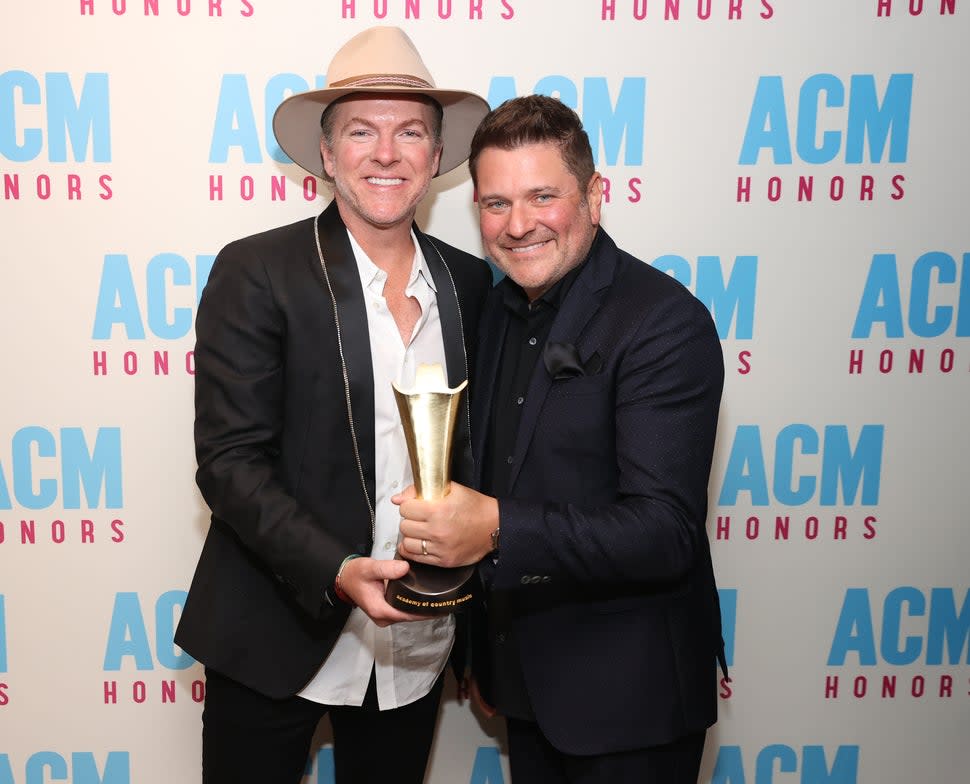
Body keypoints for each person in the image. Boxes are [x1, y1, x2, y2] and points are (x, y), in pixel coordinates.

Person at [174, 26, 491, 784]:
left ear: (437, 157)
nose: (387, 153)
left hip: (415, 647)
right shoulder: (258, 271)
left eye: (410, 130)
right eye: (361, 130)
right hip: (274, 633)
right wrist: (338, 567)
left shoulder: (472, 287)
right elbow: (229, 463)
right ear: (326, 155)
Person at [393, 94, 727, 783]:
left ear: (594, 197)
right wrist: (484, 653)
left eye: (543, 196)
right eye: (495, 204)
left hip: (631, 706)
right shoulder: (493, 311)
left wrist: (493, 529)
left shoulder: (664, 322)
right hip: (523, 690)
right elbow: (495, 470)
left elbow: (665, 531)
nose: (518, 226)